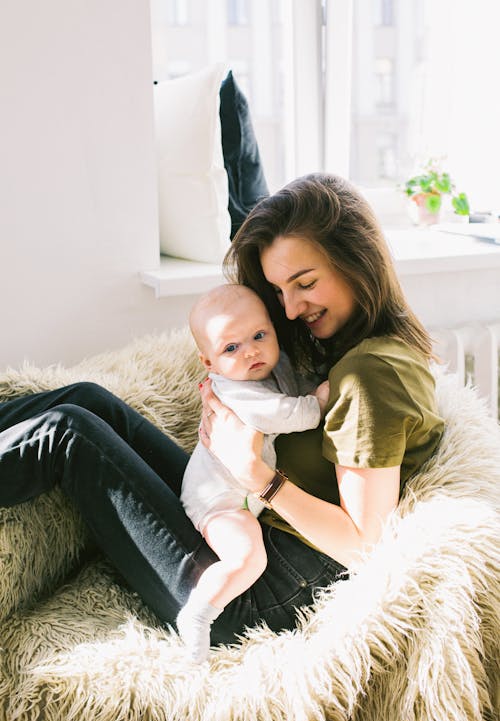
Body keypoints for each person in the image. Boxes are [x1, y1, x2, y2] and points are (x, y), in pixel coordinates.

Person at [0, 172, 444, 659]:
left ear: (357, 261)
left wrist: (257, 475)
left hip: (256, 591)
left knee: (70, 434)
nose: (291, 310)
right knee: (91, 400)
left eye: (306, 283)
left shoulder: (368, 376)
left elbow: (363, 546)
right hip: (240, 519)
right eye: (279, 291)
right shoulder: (349, 344)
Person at [177, 283, 329, 662]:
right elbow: (286, 413)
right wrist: (321, 402)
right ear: (209, 363)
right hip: (218, 501)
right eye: (231, 348)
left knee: (251, 549)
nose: (251, 351)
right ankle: (197, 616)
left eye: (259, 335)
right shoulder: (234, 391)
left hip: (242, 495)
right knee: (248, 558)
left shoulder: (266, 367)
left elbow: (290, 383)